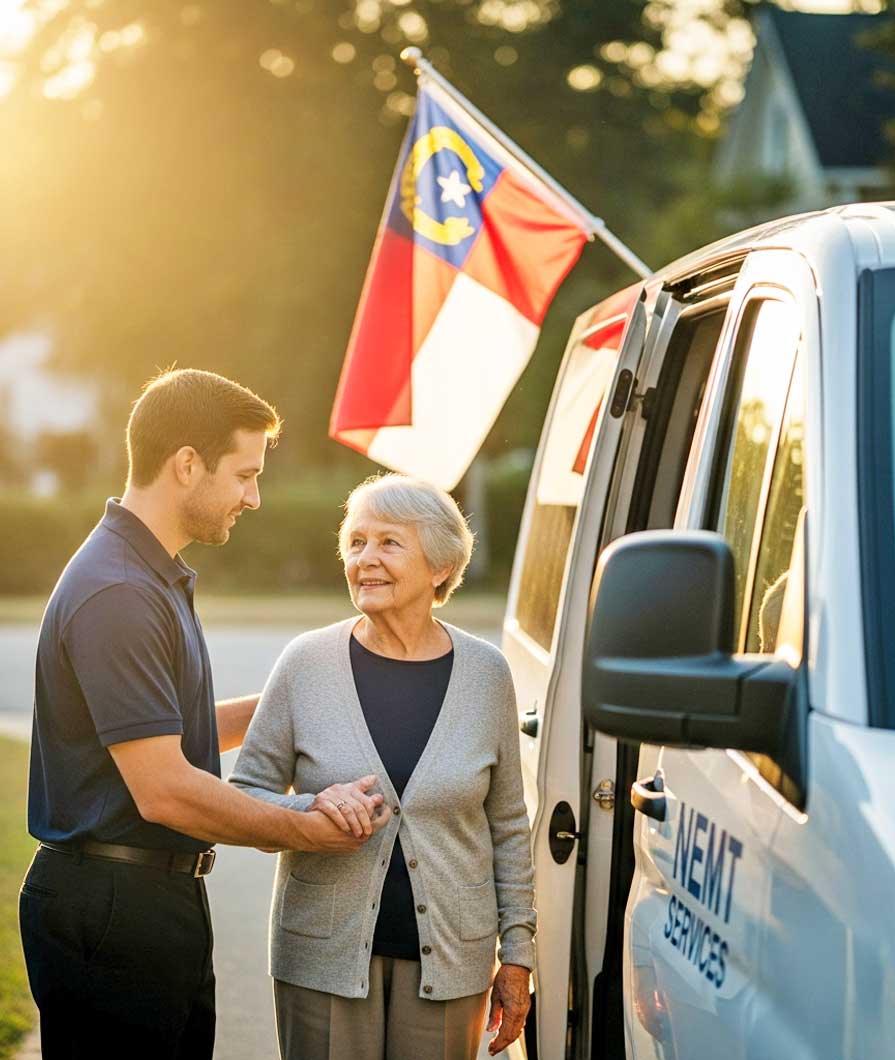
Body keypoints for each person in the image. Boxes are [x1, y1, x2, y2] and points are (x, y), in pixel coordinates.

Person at [19, 368, 390, 1060]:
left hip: (145, 901)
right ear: (187, 464)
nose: (254, 496)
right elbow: (164, 789)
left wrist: (309, 691)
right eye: (245, 474)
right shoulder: (119, 592)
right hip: (115, 909)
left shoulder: (144, 573)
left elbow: (164, 732)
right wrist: (305, 828)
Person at [231, 473, 536, 1060]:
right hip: (320, 961)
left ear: (440, 567)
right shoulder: (304, 663)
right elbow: (245, 795)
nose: (365, 559)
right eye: (356, 542)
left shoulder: (486, 674)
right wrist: (310, 806)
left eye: (389, 543)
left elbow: (508, 826)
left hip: (453, 967)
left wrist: (518, 952)